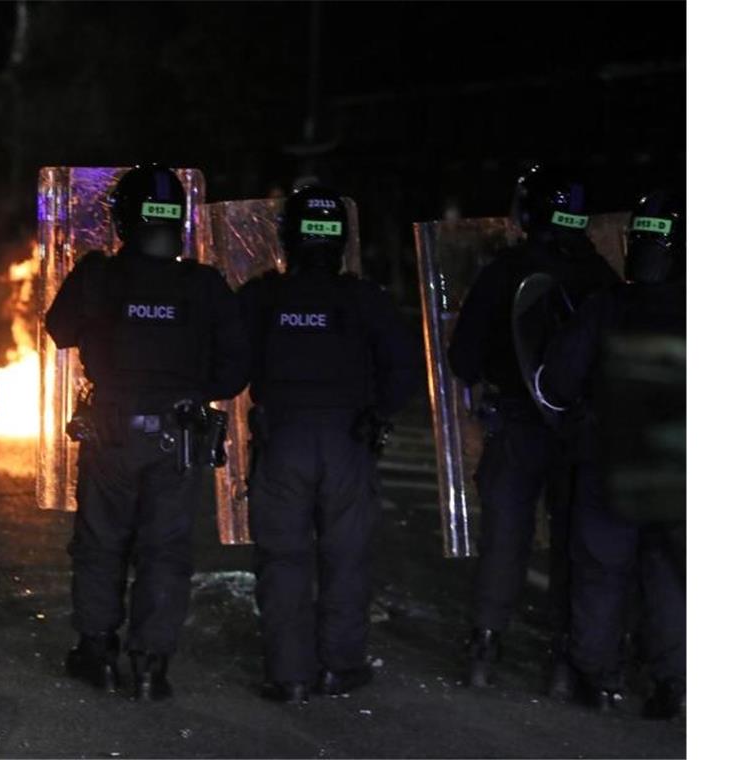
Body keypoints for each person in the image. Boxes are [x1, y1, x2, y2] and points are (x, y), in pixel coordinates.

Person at [44, 164, 249, 700]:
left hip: (110, 432)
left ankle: (97, 653)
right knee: (166, 549)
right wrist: (188, 387)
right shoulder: (203, 286)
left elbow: (58, 329)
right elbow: (234, 369)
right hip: (177, 437)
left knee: (100, 544)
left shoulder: (97, 276)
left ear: (122, 221)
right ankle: (152, 666)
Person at [238, 186, 421, 703]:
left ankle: (289, 674)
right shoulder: (366, 300)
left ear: (287, 238)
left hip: (284, 440)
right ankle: (339, 666)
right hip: (347, 442)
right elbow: (405, 372)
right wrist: (377, 413)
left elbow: (227, 366)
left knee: (283, 557)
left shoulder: (262, 297)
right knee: (346, 556)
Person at [447, 164, 620, 693]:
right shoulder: (603, 279)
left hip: (517, 424)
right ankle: (566, 660)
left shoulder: (507, 270)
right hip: (581, 434)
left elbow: (462, 358)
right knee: (577, 543)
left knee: (506, 537)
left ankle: (486, 645)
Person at [535, 190, 686, 716]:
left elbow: (557, 380)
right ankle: (671, 684)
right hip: (677, 464)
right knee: (670, 577)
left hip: (607, 459)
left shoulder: (604, 307)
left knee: (600, 572)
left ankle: (596, 680)